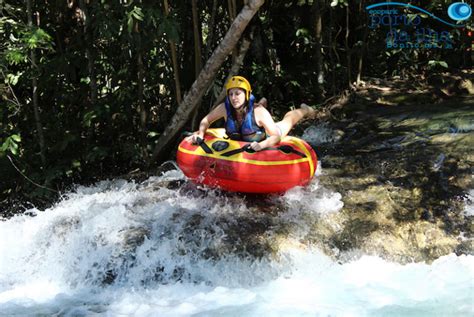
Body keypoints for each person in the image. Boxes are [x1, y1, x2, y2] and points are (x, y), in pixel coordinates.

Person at [187, 76, 314, 151]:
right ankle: (263, 101)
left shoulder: (258, 112)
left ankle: (305, 110)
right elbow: (206, 120)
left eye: (237, 93)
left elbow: (276, 137)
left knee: (287, 121)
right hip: (247, 135)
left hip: (267, 136)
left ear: (247, 95)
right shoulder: (224, 108)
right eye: (231, 94)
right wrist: (201, 134)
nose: (233, 98)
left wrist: (261, 145)